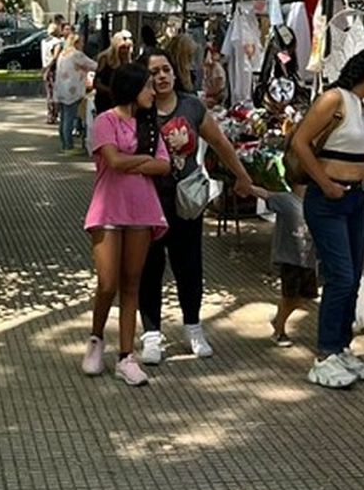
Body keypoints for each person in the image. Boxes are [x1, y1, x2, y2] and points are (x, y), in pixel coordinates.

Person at [138, 48, 256, 363]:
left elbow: (219, 142)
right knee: (150, 267)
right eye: (154, 72)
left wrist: (242, 176)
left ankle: (193, 327)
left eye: (165, 69)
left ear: (174, 73)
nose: (161, 76)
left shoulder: (191, 106)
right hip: (149, 201)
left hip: (187, 201)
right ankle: (151, 335)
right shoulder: (139, 109)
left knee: (188, 266)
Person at [287, 46, 364, 389]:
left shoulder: (361, 107)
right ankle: (326, 352)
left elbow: (352, 150)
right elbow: (301, 141)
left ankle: (342, 345)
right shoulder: (334, 99)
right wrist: (325, 183)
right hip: (328, 199)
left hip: (355, 198)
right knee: (341, 275)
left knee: (353, 276)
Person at [82, 62, 170, 386]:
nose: (153, 91)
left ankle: (125, 356)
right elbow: (114, 161)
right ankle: (95, 339)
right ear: (133, 89)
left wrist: (138, 163)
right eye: (148, 86)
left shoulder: (149, 125)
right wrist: (142, 162)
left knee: (132, 282)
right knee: (107, 283)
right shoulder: (106, 121)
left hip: (142, 210)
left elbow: (164, 165)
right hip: (108, 210)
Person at [244, 177, 316, 346]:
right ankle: (279, 331)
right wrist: (247, 185)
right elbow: (266, 194)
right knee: (289, 295)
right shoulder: (286, 200)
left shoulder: (316, 203)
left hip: (309, 258)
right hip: (290, 258)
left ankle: (278, 319)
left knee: (303, 297)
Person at [54, 34, 96, 152]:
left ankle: (64, 144)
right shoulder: (77, 55)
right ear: (76, 43)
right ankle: (69, 146)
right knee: (69, 119)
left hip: (61, 90)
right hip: (72, 91)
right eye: (81, 42)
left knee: (63, 119)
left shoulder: (63, 54)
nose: (83, 44)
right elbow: (92, 65)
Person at [94, 29, 134, 114]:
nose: (125, 51)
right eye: (122, 48)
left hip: (120, 103)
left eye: (128, 48)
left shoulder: (127, 62)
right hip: (104, 102)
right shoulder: (104, 59)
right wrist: (110, 91)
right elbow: (96, 83)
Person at [41, 22, 62, 125]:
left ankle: (51, 115)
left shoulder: (44, 41)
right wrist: (49, 67)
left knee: (49, 93)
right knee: (55, 93)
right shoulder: (56, 42)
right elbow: (55, 57)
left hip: (45, 67)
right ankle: (54, 114)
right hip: (53, 69)